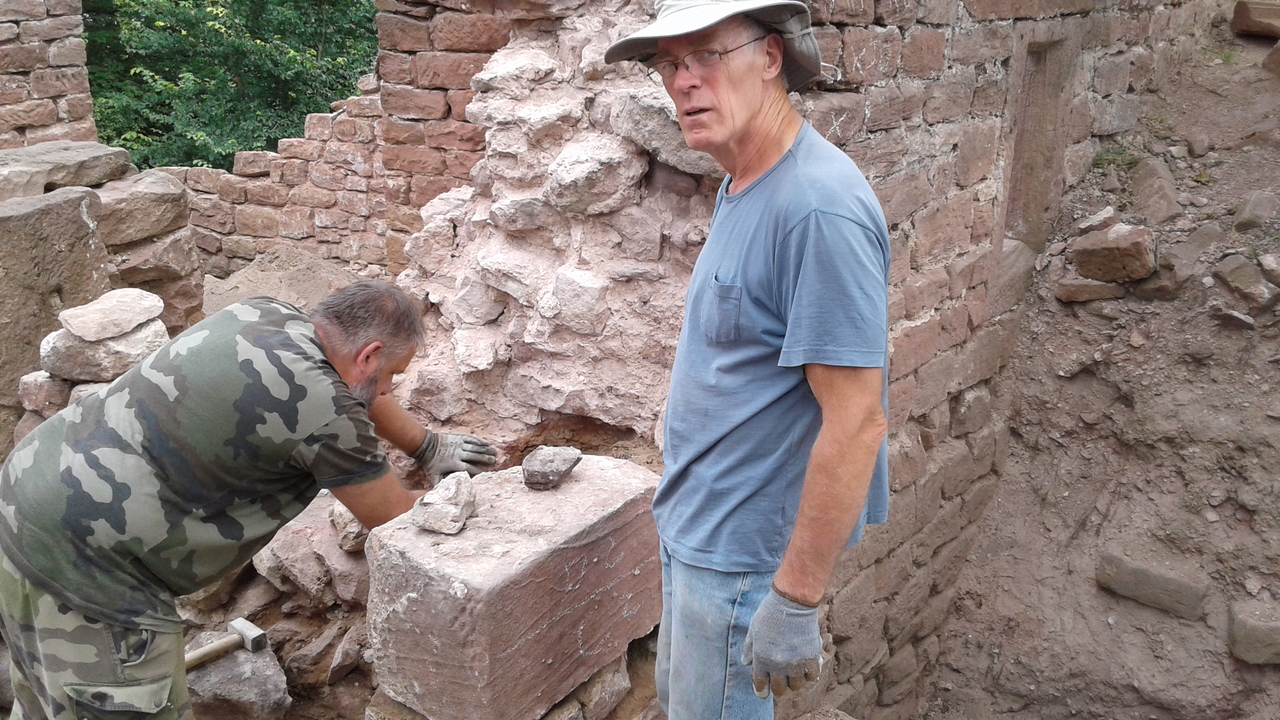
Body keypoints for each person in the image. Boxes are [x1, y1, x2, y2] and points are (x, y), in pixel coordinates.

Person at [0, 280, 496, 720]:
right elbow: (391, 515)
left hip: (27, 490)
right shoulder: (326, 412)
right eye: (393, 373)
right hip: (88, 564)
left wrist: (428, 447)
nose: (389, 387)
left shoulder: (263, 312)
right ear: (368, 354)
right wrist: (473, 503)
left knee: (48, 695)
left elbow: (360, 392)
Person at [605, 1, 891, 717]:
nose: (683, 81)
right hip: (698, 527)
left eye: (707, 54)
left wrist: (794, 599)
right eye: (669, 64)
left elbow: (857, 420)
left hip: (739, 560)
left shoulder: (817, 209)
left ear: (769, 57)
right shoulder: (745, 180)